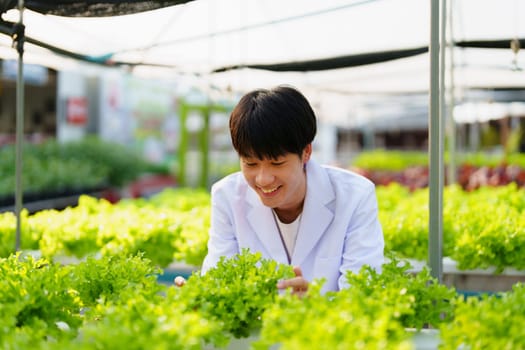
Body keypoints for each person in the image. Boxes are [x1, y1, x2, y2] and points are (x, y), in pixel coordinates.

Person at [176, 85, 384, 295]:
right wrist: (203, 297)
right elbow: (219, 279)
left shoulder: (355, 196)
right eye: (250, 164)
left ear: (306, 152)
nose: (263, 179)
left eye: (277, 164)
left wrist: (316, 303)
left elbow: (362, 295)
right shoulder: (227, 197)